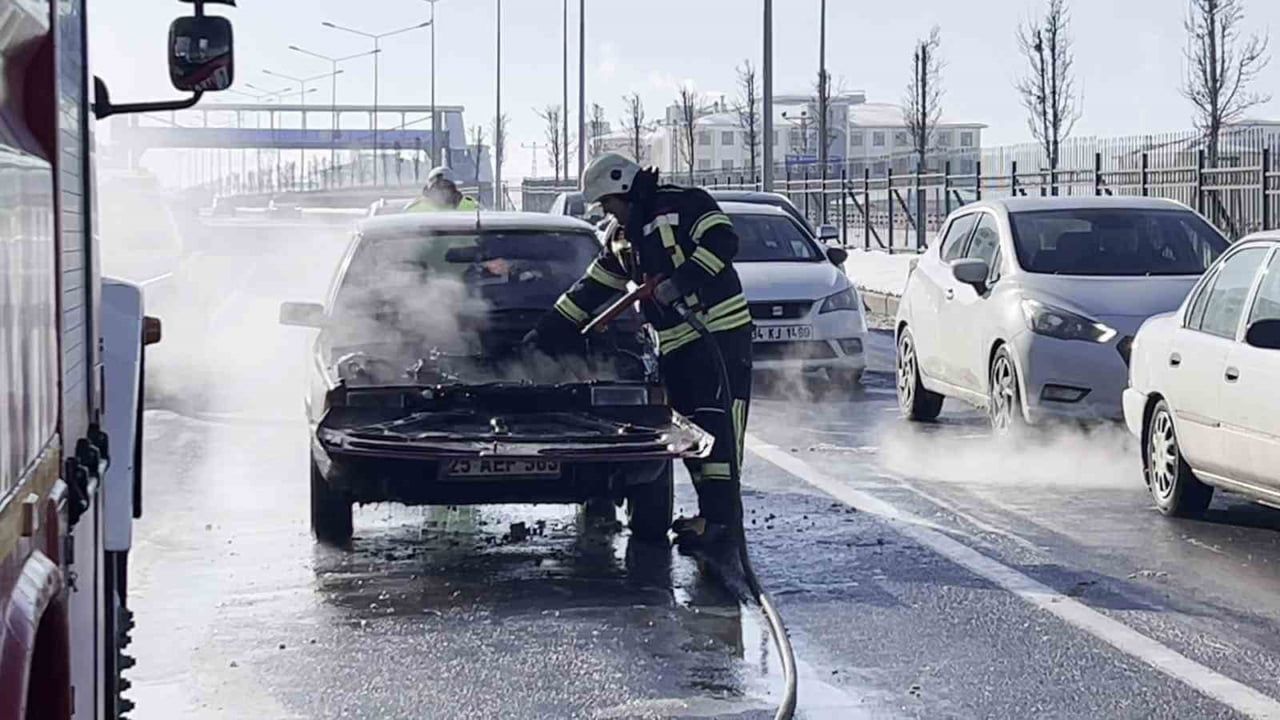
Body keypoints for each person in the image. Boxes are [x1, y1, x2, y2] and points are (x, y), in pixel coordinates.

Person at [526, 153, 753, 550]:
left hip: (719, 333)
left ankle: (722, 524)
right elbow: (591, 290)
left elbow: (723, 242)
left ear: (624, 187)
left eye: (607, 202)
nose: (606, 210)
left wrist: (680, 283)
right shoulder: (621, 238)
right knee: (694, 431)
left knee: (719, 427)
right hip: (676, 342)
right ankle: (709, 518)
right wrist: (544, 335)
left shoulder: (686, 204)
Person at [405, 166, 479, 212]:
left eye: (447, 187)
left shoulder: (472, 206)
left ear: (454, 189)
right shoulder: (415, 209)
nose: (443, 191)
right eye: (438, 187)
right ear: (429, 190)